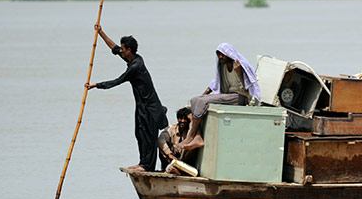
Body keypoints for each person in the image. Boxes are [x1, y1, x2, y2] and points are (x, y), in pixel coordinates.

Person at [86, 25, 168, 172]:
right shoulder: (133, 58)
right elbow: (115, 48)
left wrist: (95, 85)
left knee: (149, 137)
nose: (121, 50)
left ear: (129, 50)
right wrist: (101, 32)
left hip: (150, 108)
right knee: (139, 134)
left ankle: (147, 166)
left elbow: (117, 81)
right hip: (141, 106)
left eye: (123, 48)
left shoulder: (136, 66)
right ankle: (143, 163)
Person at [180, 43, 261, 151]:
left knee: (202, 102)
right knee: (195, 100)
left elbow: (248, 88)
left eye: (222, 55)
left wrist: (238, 72)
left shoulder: (240, 65)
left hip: (241, 97)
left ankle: (190, 137)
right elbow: (215, 82)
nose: (220, 57)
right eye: (218, 55)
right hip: (228, 95)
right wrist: (204, 95)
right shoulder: (222, 66)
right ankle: (197, 137)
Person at [157, 107, 193, 171]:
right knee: (163, 145)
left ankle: (179, 170)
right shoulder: (171, 129)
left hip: (183, 159)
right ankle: (169, 168)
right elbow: (160, 140)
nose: (183, 121)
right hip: (171, 158)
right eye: (180, 118)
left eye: (185, 119)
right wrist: (169, 154)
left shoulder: (190, 131)